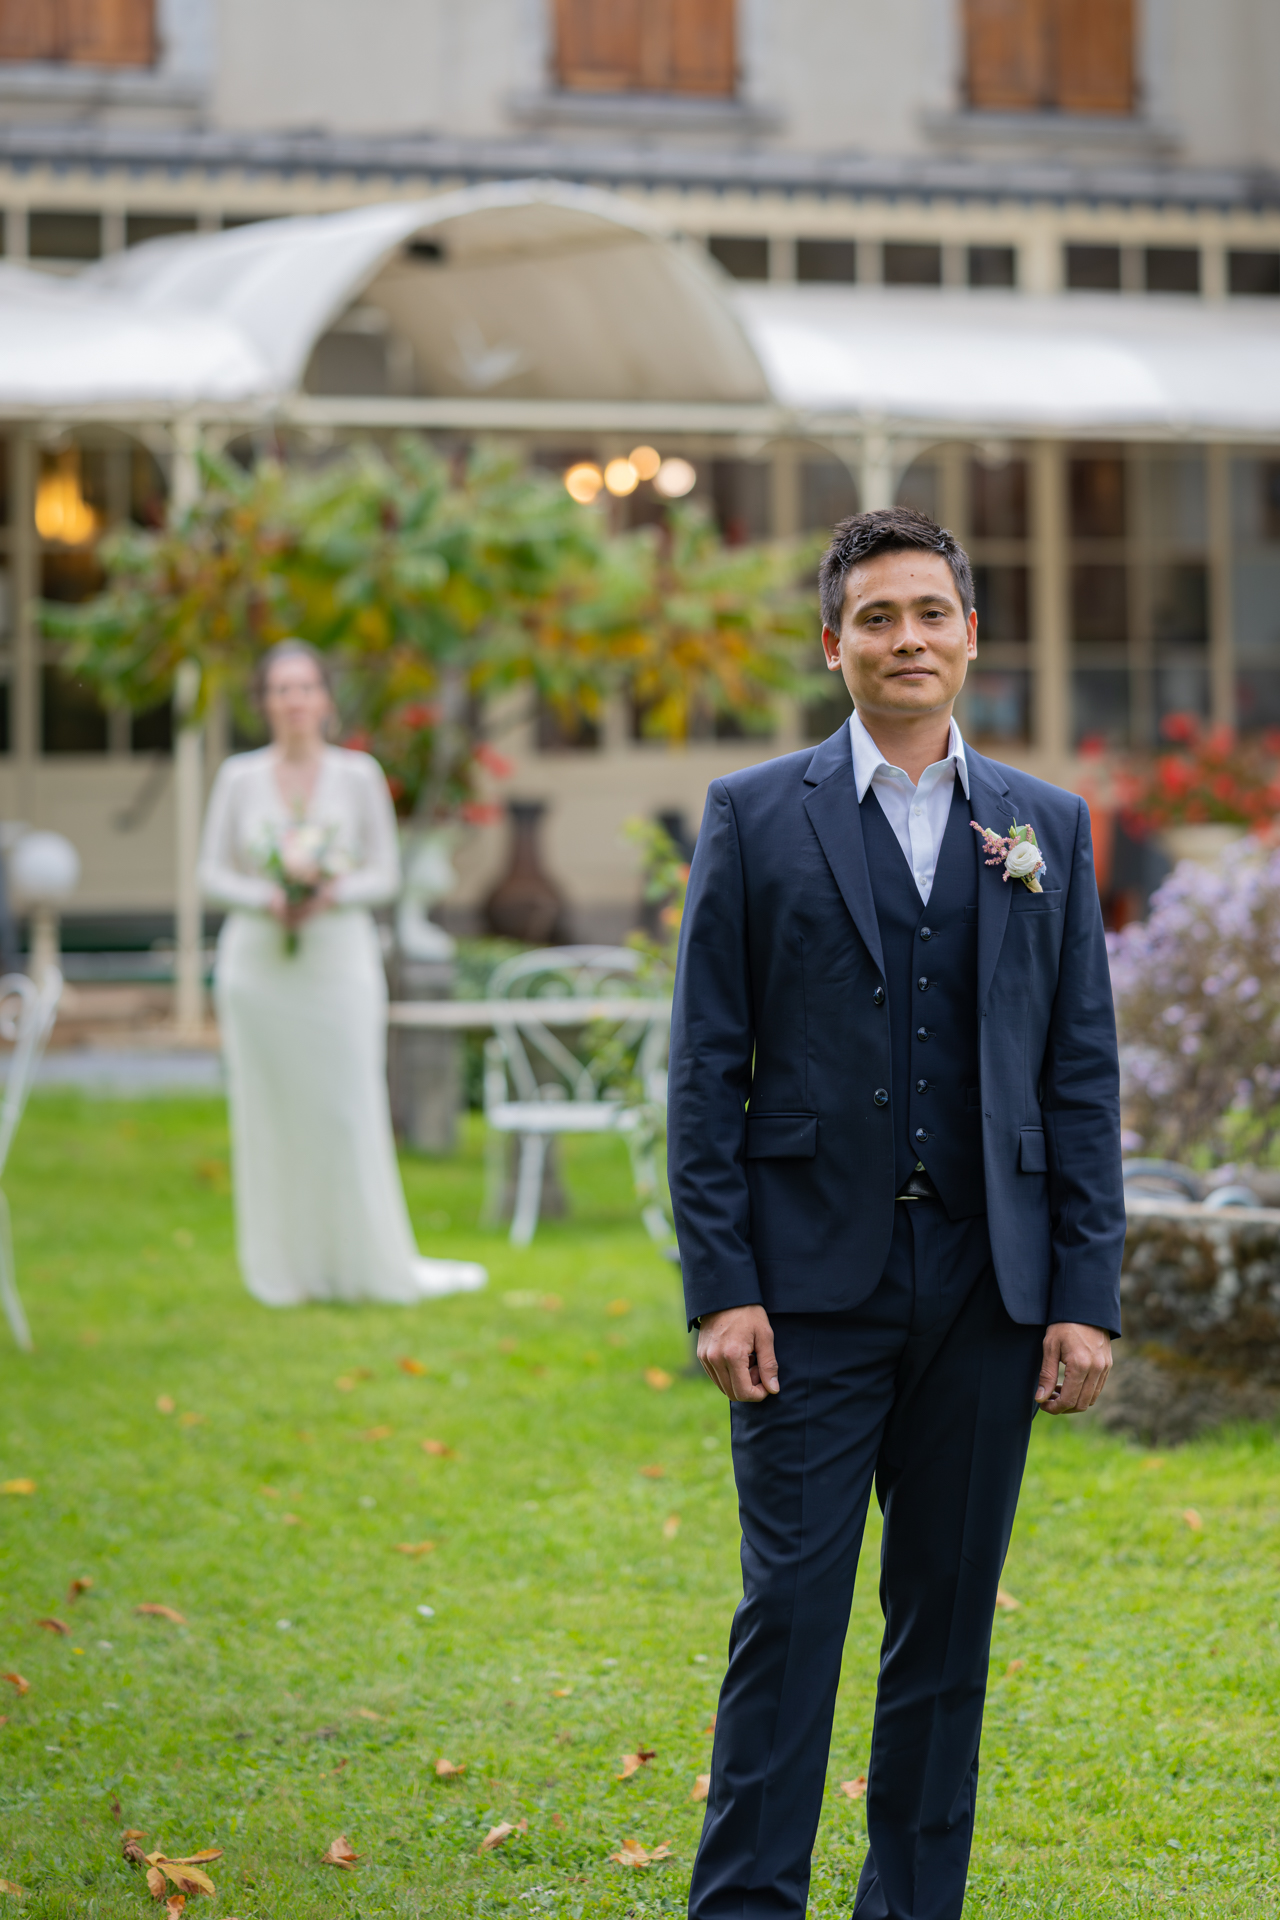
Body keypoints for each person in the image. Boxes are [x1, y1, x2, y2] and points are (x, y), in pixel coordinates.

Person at [667, 507, 1124, 1920]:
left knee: (946, 1629)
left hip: (989, 1289)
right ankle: (748, 1905)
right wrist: (720, 1285)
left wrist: (1083, 1294)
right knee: (789, 1616)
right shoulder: (754, 814)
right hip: (805, 1291)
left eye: (930, 613)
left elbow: (1078, 1074)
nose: (906, 638)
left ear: (970, 636)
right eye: (876, 617)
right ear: (833, 645)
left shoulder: (1045, 826)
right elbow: (703, 1066)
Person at [198, 638, 486, 1307]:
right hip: (259, 968)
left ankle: (360, 1262)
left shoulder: (358, 775)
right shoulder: (239, 777)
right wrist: (267, 896)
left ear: (325, 698)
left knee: (344, 1110)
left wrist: (330, 891)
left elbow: (385, 873)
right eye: (280, 689)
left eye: (305, 687)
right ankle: (283, 1269)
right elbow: (210, 873)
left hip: (338, 963)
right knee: (270, 1115)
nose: (294, 701)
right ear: (264, 701)